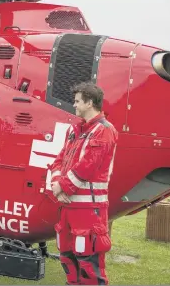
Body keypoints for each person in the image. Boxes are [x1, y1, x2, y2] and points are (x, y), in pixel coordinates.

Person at [48, 81, 118, 285]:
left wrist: (62, 187)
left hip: (89, 210)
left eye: (78, 101)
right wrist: (56, 185)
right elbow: (59, 160)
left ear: (89, 103)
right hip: (68, 206)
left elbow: (88, 165)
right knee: (68, 258)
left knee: (88, 262)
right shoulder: (75, 130)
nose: (75, 105)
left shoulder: (104, 130)